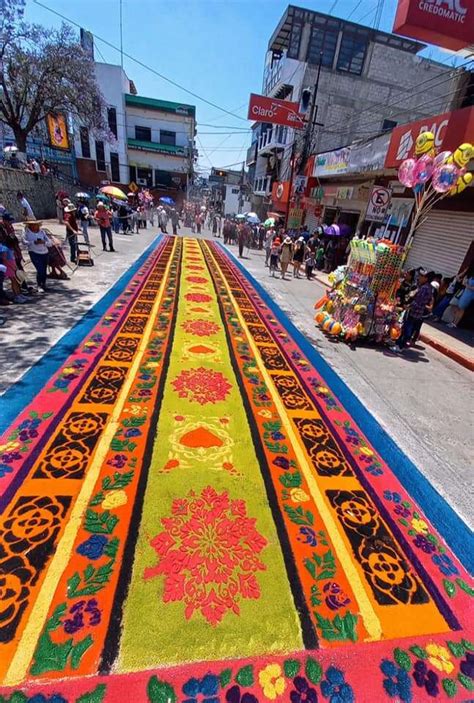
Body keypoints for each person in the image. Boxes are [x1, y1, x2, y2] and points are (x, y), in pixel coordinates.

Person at [394, 269, 434, 352]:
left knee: (406, 329)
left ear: (426, 278)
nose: (419, 277)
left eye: (421, 276)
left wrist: (407, 306)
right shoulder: (426, 287)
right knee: (408, 328)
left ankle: (400, 346)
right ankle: (402, 345)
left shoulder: (424, 288)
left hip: (414, 311)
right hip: (417, 312)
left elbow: (417, 302)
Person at [23, 219, 52, 292]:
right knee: (40, 269)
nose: (34, 226)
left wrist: (43, 242)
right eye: (32, 225)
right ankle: (39, 285)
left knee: (44, 270)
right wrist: (33, 242)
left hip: (44, 252)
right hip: (34, 252)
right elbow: (24, 242)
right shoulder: (26, 232)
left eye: (35, 225)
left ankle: (43, 284)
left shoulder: (42, 232)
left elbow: (50, 243)